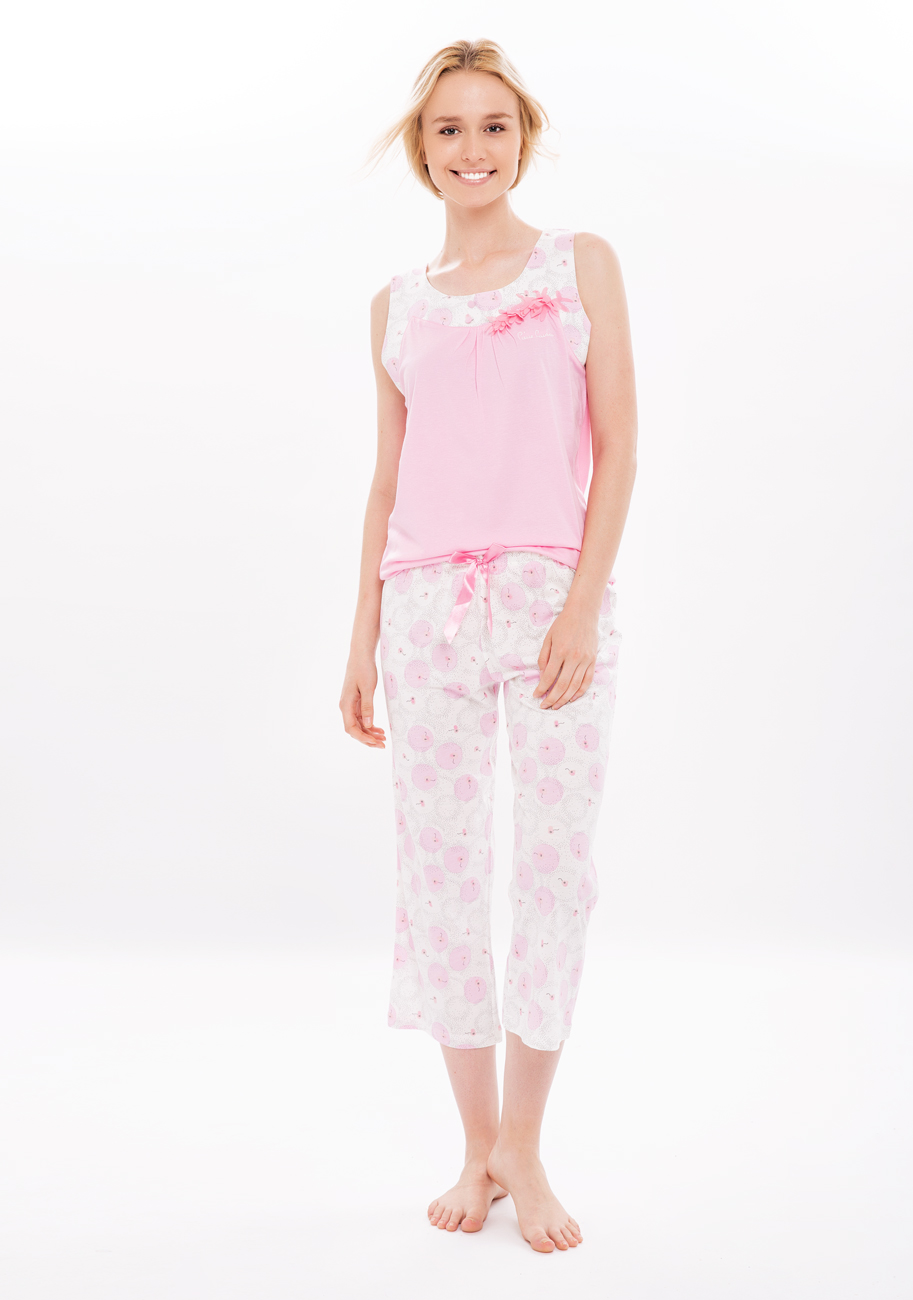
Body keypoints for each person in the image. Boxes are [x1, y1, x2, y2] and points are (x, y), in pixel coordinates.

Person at [340, 38, 637, 1254]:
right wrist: (360, 637)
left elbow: (618, 445)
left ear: (525, 138)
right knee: (444, 872)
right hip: (423, 612)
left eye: (494, 126)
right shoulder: (394, 306)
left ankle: (527, 1140)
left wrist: (580, 604)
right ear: (423, 149)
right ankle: (478, 1146)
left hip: (550, 599)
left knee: (555, 868)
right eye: (450, 128)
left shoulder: (580, 264)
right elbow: (386, 480)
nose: (474, 148)